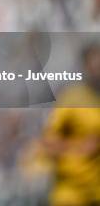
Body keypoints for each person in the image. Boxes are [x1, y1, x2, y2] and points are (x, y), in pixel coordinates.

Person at [42, 42, 100, 206]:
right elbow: (48, 143)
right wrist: (80, 147)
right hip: (71, 193)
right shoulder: (71, 98)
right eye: (94, 64)